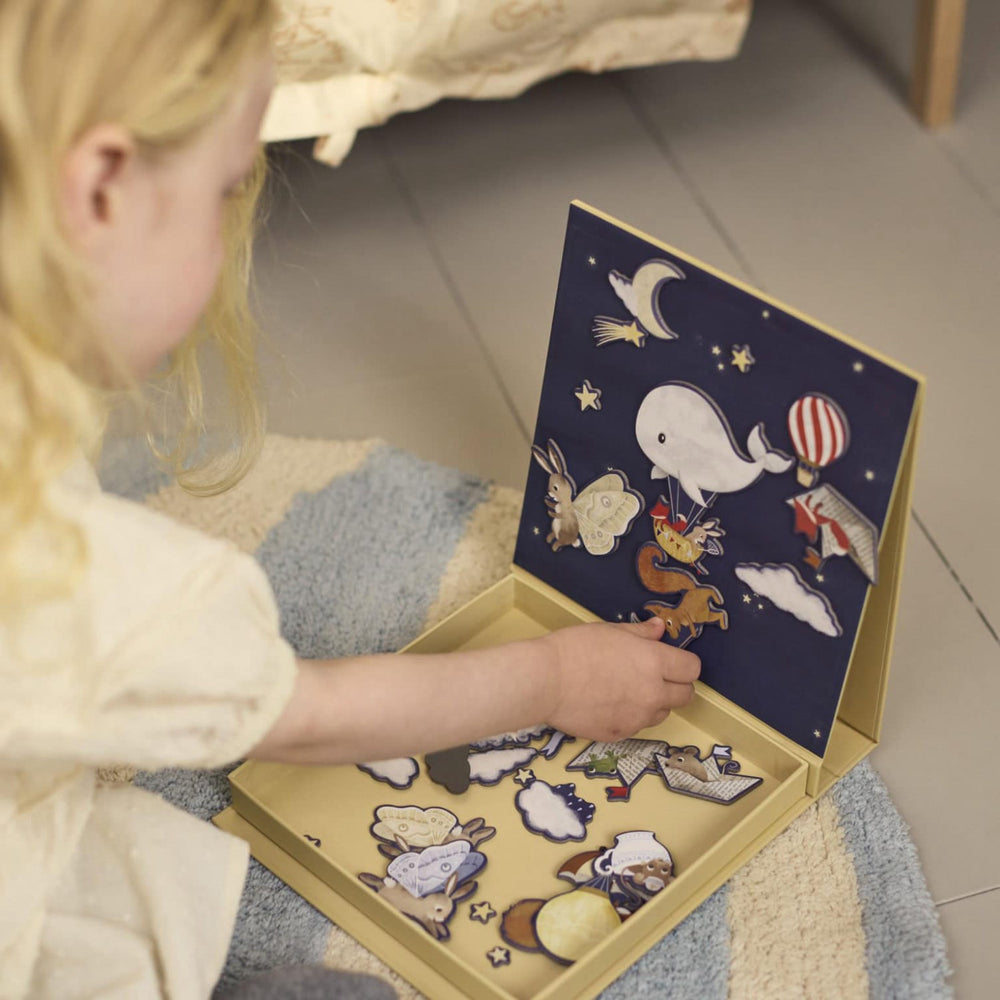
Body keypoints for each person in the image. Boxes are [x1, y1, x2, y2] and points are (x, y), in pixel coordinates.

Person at [0, 1, 700, 997]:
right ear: (102, 187)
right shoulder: (77, 571)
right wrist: (552, 678)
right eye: (224, 189)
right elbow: (310, 715)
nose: (230, 228)